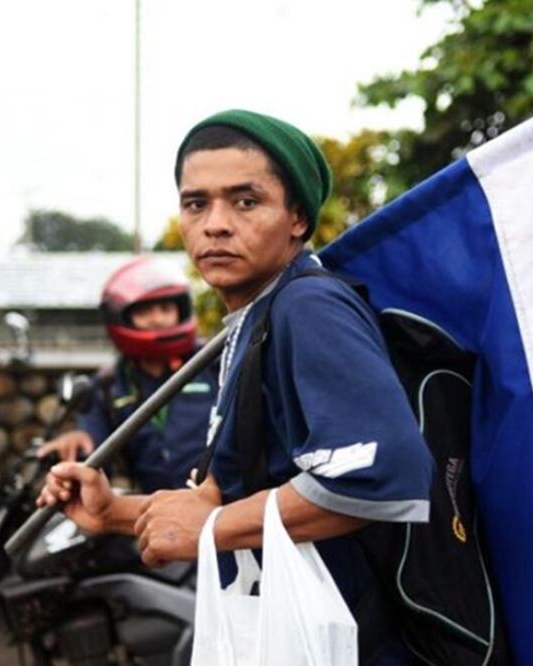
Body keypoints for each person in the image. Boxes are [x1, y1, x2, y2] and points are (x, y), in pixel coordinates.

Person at [38, 110, 434, 662]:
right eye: (196, 203)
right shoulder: (257, 322)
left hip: (350, 644)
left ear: (297, 217)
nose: (215, 224)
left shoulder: (308, 306)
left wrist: (214, 524)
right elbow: (242, 493)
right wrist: (113, 512)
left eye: (245, 202)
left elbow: (385, 477)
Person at [38, 257, 218, 493]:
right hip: (151, 513)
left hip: (224, 506)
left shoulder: (215, 362)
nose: (158, 318)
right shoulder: (109, 384)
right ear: (122, 317)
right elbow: (92, 436)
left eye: (166, 309)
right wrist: (77, 441)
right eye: (145, 311)